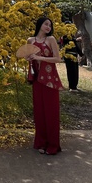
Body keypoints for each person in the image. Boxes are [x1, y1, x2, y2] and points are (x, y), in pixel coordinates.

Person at [26, 17, 63, 155]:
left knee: (51, 113)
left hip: (50, 80)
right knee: (39, 112)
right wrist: (29, 58)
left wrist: (40, 58)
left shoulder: (51, 39)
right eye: (46, 24)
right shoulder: (30, 40)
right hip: (37, 79)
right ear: (39, 24)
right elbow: (29, 58)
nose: (48, 27)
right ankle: (41, 142)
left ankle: (53, 145)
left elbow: (58, 59)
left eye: (50, 25)